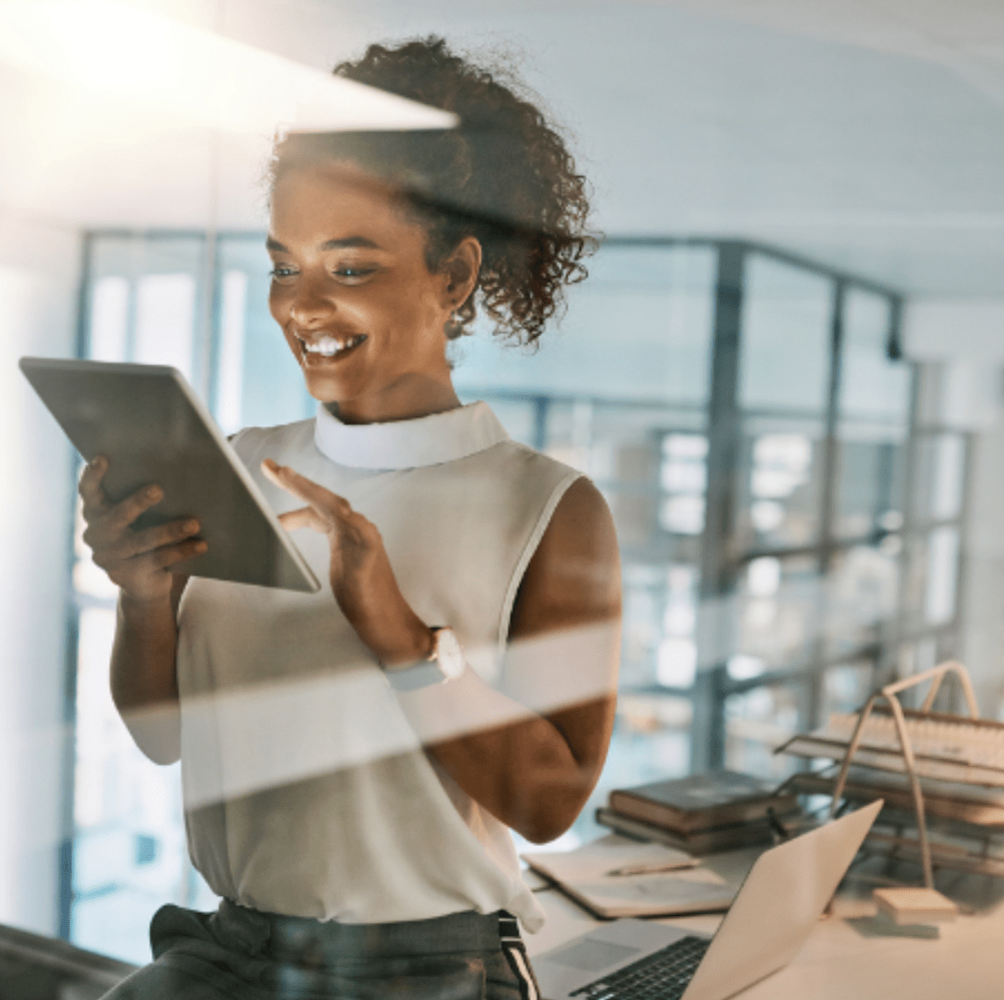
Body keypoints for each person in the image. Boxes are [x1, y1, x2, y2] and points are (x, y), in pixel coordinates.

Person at [81, 37, 622, 1000]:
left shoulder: (548, 509)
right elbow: (163, 734)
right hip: (229, 957)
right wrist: (142, 597)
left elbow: (549, 801)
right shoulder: (241, 464)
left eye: (353, 267)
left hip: (428, 973)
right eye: (284, 267)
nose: (304, 305)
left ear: (454, 278)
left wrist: (407, 645)